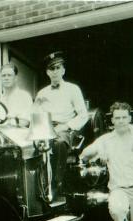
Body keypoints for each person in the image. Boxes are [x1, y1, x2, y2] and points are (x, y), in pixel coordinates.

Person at [34, 51, 88, 196]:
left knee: (57, 143)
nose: (55, 72)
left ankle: (57, 183)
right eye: (52, 69)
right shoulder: (42, 93)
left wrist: (66, 126)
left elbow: (83, 115)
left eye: (58, 68)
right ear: (47, 72)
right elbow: (35, 115)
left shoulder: (73, 89)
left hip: (67, 129)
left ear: (63, 70)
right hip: (45, 128)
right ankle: (35, 186)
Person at [0, 63, 33, 128]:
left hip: (18, 135)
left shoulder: (25, 97)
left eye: (9, 75)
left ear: (16, 78)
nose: (6, 78)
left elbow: (25, 122)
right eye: (3, 75)